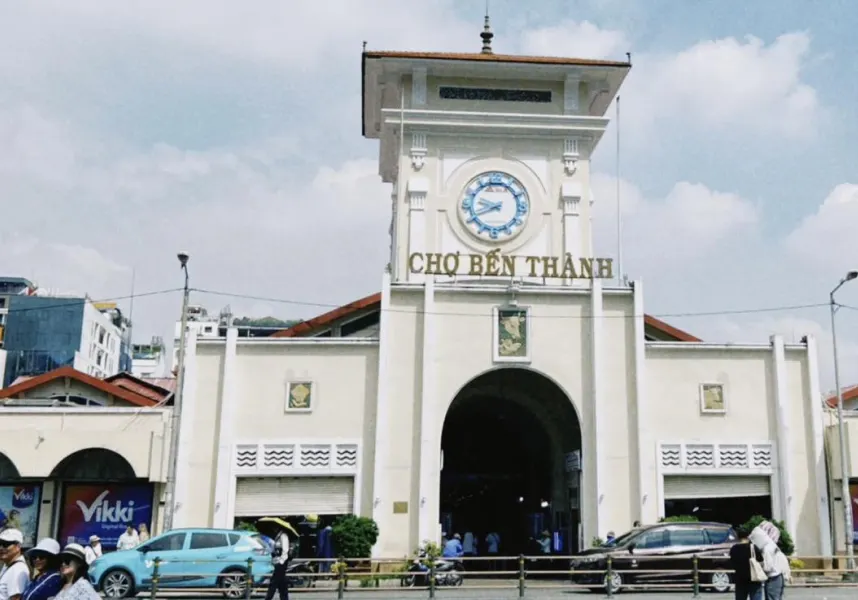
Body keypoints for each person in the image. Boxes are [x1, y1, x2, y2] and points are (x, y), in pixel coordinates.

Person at [750, 522, 790, 600]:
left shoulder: (766, 549)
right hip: (779, 576)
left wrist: (759, 566)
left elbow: (768, 567)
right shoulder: (772, 546)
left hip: (773, 578)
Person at [729, 527, 764, 600]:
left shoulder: (734, 549)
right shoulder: (753, 547)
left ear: (738, 536)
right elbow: (761, 560)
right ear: (748, 536)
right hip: (754, 579)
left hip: (740, 580)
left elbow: (732, 563)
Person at [0, 529, 30, 600]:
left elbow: (16, 598)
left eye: (5, 544)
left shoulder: (17, 569)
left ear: (18, 546)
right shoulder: (9, 565)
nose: (1, 548)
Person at [264, 527, 290, 600]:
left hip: (282, 562)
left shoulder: (283, 536)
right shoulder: (277, 536)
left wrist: (281, 562)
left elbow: (285, 550)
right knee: (282, 583)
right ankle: (284, 598)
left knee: (274, 582)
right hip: (277, 561)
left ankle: (268, 598)